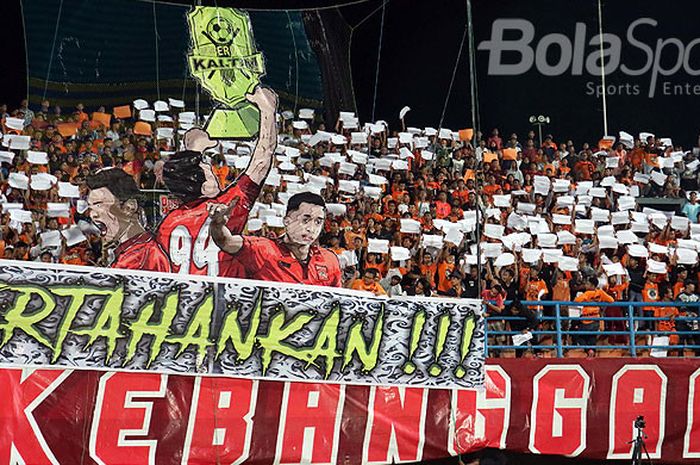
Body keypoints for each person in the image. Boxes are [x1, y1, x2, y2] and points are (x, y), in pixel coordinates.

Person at [158, 86, 278, 276]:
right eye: (210, 172)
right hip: (221, 300)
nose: (214, 172)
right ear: (205, 186)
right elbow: (262, 161)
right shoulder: (226, 205)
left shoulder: (168, 223)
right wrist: (267, 112)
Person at [210, 191, 342, 287]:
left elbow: (338, 301)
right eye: (305, 220)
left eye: (318, 222)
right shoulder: (263, 250)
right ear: (287, 221)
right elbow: (225, 241)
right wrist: (217, 223)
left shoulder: (330, 260)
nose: (311, 228)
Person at [86, 168, 171, 272]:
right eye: (90, 207)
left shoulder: (140, 257)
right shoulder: (132, 250)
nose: (92, 214)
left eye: (99, 204)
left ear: (129, 207)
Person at [573, 278, 615, 357]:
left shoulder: (587, 293)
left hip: (586, 319)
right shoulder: (600, 292)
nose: (585, 285)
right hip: (596, 319)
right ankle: (592, 351)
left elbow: (576, 300)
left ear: (592, 285)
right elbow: (611, 300)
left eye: (587, 284)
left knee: (579, 335)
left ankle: (588, 350)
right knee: (592, 337)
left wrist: (587, 301)